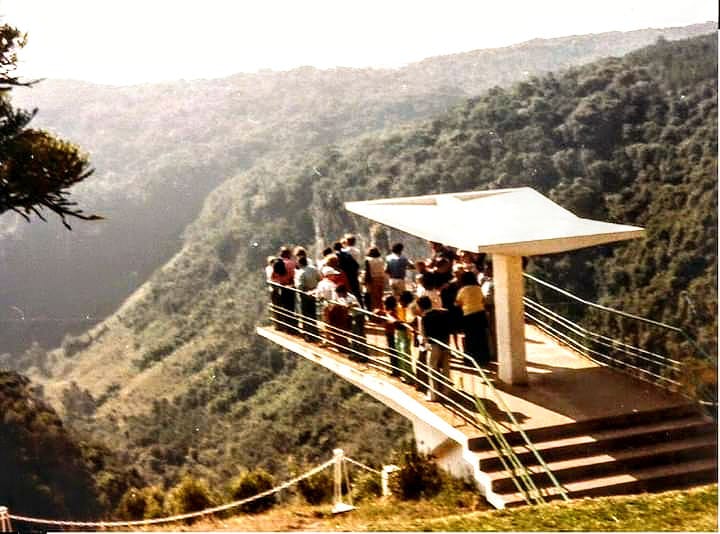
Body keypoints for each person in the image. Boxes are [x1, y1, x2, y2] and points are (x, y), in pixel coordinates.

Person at [417, 296, 452, 402]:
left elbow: (424, 336)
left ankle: (433, 395)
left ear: (420, 307)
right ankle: (446, 392)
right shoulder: (442, 314)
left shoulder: (425, 318)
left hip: (434, 345)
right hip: (445, 343)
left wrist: (422, 343)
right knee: (446, 369)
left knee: (432, 369)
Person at [455, 271, 490, 366]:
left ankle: (470, 360)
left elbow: (458, 303)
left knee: (470, 338)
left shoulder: (463, 290)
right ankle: (484, 358)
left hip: (469, 315)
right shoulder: (478, 288)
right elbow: (483, 300)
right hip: (480, 314)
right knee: (481, 337)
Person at [295, 255, 321, 340]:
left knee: (305, 315)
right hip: (313, 293)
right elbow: (319, 278)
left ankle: (309, 334)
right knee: (312, 313)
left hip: (305, 295)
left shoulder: (301, 272)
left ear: (300, 263)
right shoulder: (314, 269)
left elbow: (300, 286)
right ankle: (315, 332)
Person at [364, 246, 386, 311]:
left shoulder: (368, 260)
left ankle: (375, 313)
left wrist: (366, 282)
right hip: (381, 279)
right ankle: (381, 311)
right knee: (380, 297)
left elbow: (368, 272)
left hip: (373, 280)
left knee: (373, 298)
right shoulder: (381, 260)